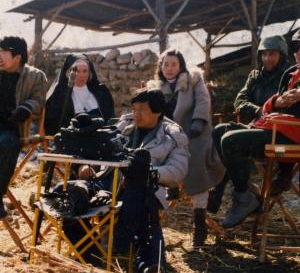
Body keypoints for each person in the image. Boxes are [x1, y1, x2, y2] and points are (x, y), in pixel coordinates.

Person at [53, 88, 189, 272]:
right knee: (69, 193)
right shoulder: (122, 126)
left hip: (143, 188)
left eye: (142, 109)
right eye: (134, 108)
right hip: (105, 181)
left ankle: (149, 265)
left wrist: (145, 173)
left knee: (144, 199)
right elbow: (92, 150)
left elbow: (178, 170)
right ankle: (87, 255)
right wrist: (84, 167)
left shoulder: (172, 135)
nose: (136, 114)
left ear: (157, 112)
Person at [214, 29, 300, 228]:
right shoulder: (290, 74)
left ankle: (244, 196)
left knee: (230, 140)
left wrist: (272, 107)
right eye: (296, 47)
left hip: (290, 136)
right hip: (274, 128)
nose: (298, 52)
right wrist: (273, 104)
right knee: (220, 131)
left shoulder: (286, 72)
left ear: (281, 55)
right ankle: (246, 194)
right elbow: (270, 105)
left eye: (273, 53)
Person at [147, 49, 225, 247]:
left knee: (197, 166)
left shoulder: (193, 80)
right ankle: (166, 193)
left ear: (180, 66)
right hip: (169, 137)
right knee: (154, 160)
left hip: (194, 133)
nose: (169, 68)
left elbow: (203, 100)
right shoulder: (157, 88)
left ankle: (199, 225)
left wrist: (199, 120)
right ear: (161, 67)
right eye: (166, 64)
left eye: (173, 64)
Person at [0, 36, 47, 217]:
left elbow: (39, 100)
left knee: (6, 143)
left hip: (12, 127)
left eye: (4, 52)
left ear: (17, 57)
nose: (0, 56)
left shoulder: (35, 76)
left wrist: (26, 108)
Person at [45, 54, 114, 135]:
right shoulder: (59, 93)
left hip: (100, 138)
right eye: (77, 71)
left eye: (85, 71)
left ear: (90, 72)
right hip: (71, 138)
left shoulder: (101, 91)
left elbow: (110, 119)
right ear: (69, 72)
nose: (82, 75)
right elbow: (52, 124)